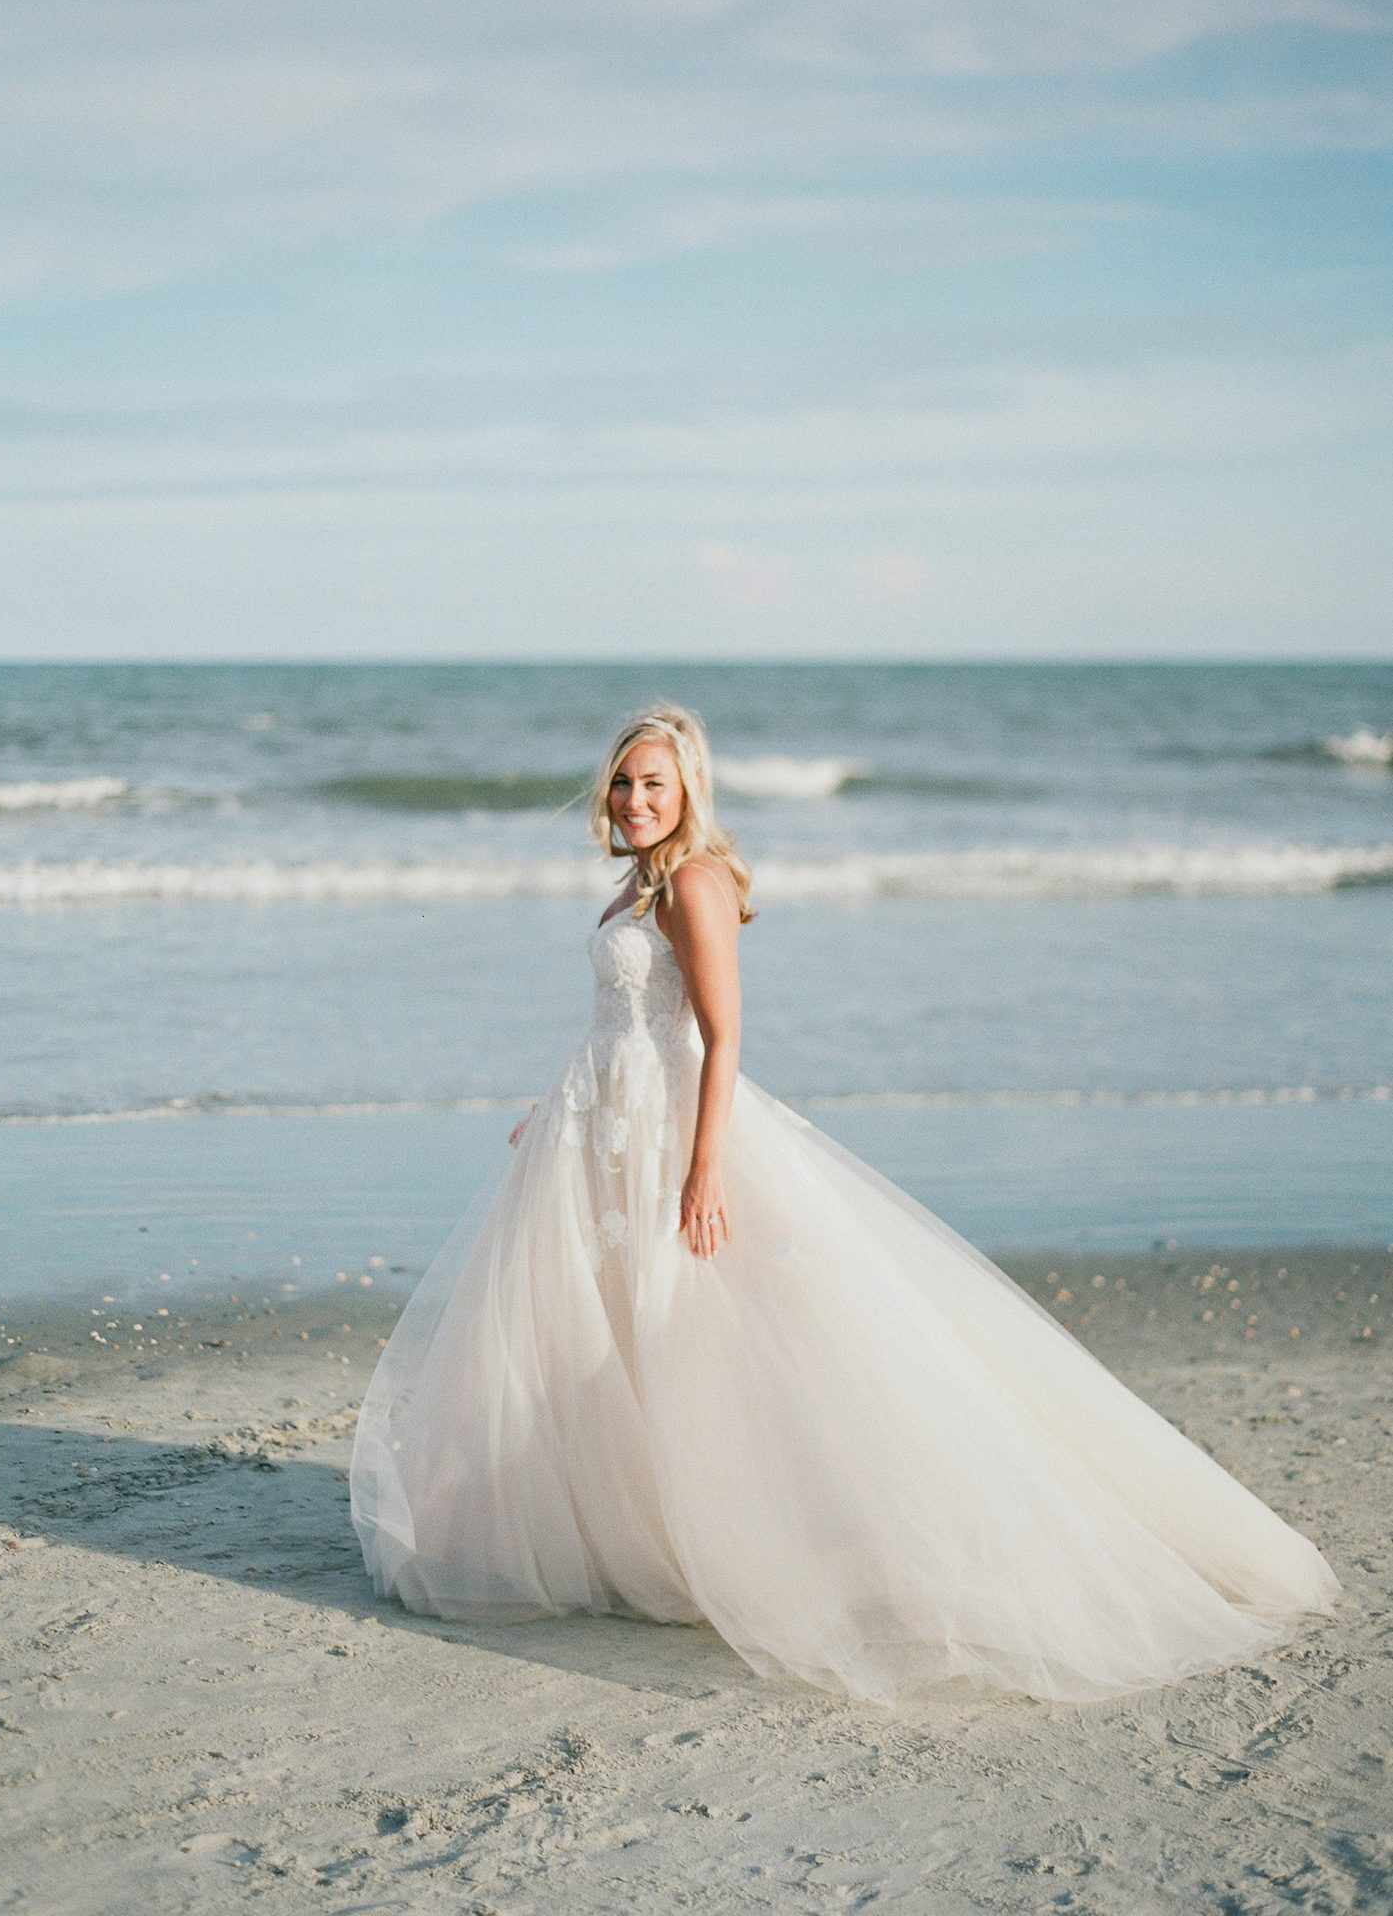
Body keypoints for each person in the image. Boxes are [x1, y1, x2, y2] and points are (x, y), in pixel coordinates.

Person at [349, 702, 1341, 1707]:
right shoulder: (632, 885)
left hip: (669, 1133)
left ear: (688, 790)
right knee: (605, 1329)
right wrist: (554, 1105)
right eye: (622, 781)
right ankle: (641, 1531)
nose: (634, 798)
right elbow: (621, 1020)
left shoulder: (693, 880)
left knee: (694, 1330)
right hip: (599, 1125)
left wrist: (703, 1169)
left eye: (654, 782)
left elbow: (721, 1036)